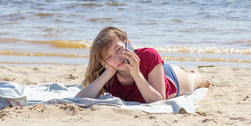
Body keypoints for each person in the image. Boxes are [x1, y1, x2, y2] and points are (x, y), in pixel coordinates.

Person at [75, 26, 210, 103]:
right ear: (103, 62)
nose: (117, 58)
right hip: (152, 74)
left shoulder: (149, 54)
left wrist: (136, 73)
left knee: (195, 81)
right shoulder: (108, 74)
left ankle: (196, 75)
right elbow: (79, 100)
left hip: (172, 79)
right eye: (109, 57)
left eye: (119, 49)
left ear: (129, 44)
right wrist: (109, 72)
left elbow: (158, 100)